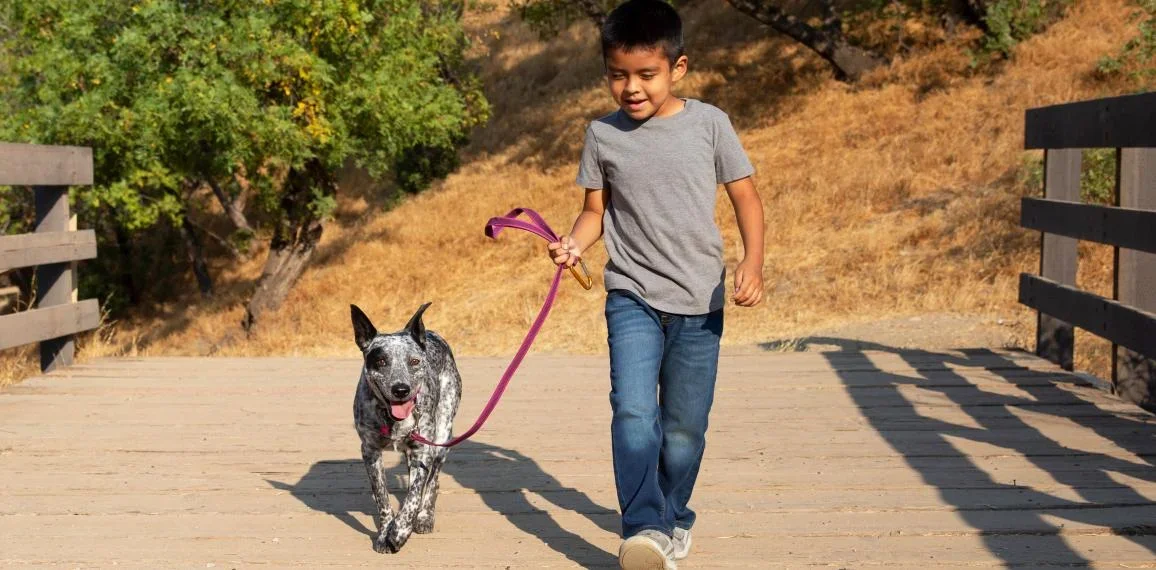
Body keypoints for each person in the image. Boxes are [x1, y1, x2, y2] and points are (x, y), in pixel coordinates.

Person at [546, 0, 765, 567]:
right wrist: (575, 242)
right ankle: (643, 527)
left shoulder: (710, 124)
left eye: (646, 74)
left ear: (679, 68)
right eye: (619, 75)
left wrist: (753, 262)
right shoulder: (602, 135)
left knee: (684, 430)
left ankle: (672, 517)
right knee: (633, 411)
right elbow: (595, 211)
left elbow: (746, 196)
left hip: (700, 300)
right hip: (631, 294)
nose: (632, 88)